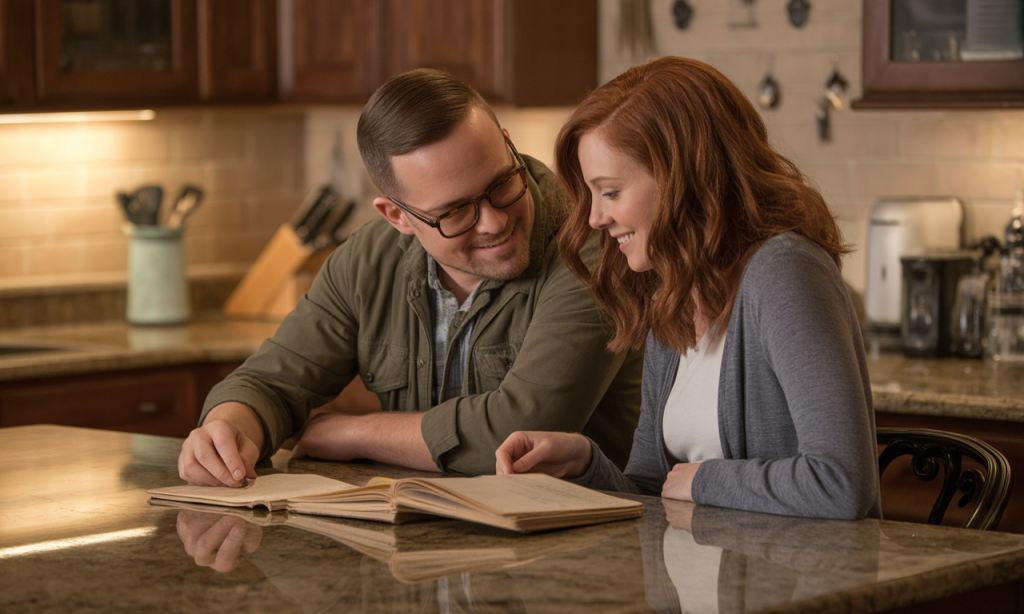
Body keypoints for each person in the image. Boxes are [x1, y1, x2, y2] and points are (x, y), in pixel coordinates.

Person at [178, 69, 643, 487]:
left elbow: (519, 432)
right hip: (423, 540)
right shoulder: (367, 259)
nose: (494, 221)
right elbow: (271, 383)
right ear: (396, 216)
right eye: (455, 211)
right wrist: (227, 428)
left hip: (587, 542)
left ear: (508, 145)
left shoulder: (595, 244)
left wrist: (355, 434)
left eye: (501, 184)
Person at [495, 56, 882, 520]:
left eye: (611, 192)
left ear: (683, 178)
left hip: (796, 569)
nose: (595, 217)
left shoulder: (785, 274)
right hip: (696, 567)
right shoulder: (672, 292)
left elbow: (841, 482)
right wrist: (584, 462)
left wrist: (702, 480)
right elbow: (654, 492)